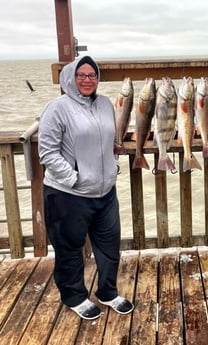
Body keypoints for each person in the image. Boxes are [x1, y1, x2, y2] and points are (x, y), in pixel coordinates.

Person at [38, 55, 134, 320]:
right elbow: (47, 153)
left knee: (110, 246)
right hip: (68, 195)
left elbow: (111, 140)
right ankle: (75, 296)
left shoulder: (105, 104)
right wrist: (74, 178)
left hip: (104, 193)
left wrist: (112, 165)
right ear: (70, 77)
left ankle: (107, 292)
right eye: (81, 75)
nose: (87, 80)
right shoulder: (56, 108)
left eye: (93, 75)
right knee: (69, 248)